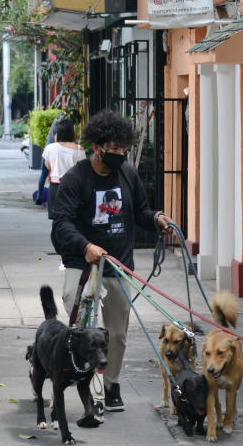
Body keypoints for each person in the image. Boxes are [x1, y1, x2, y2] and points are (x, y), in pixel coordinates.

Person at [52, 109, 171, 412]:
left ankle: (111, 384)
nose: (119, 153)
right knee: (79, 326)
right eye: (113, 148)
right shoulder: (75, 179)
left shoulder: (127, 174)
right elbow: (61, 224)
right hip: (83, 263)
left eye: (122, 148)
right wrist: (85, 245)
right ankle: (81, 379)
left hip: (118, 264)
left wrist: (155, 218)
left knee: (117, 333)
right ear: (96, 146)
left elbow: (140, 210)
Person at [42, 119, 86, 222]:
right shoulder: (79, 149)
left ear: (58, 133)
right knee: (73, 218)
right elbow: (83, 170)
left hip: (55, 187)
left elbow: (48, 166)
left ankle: (58, 236)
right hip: (73, 188)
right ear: (72, 133)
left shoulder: (50, 148)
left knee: (57, 220)